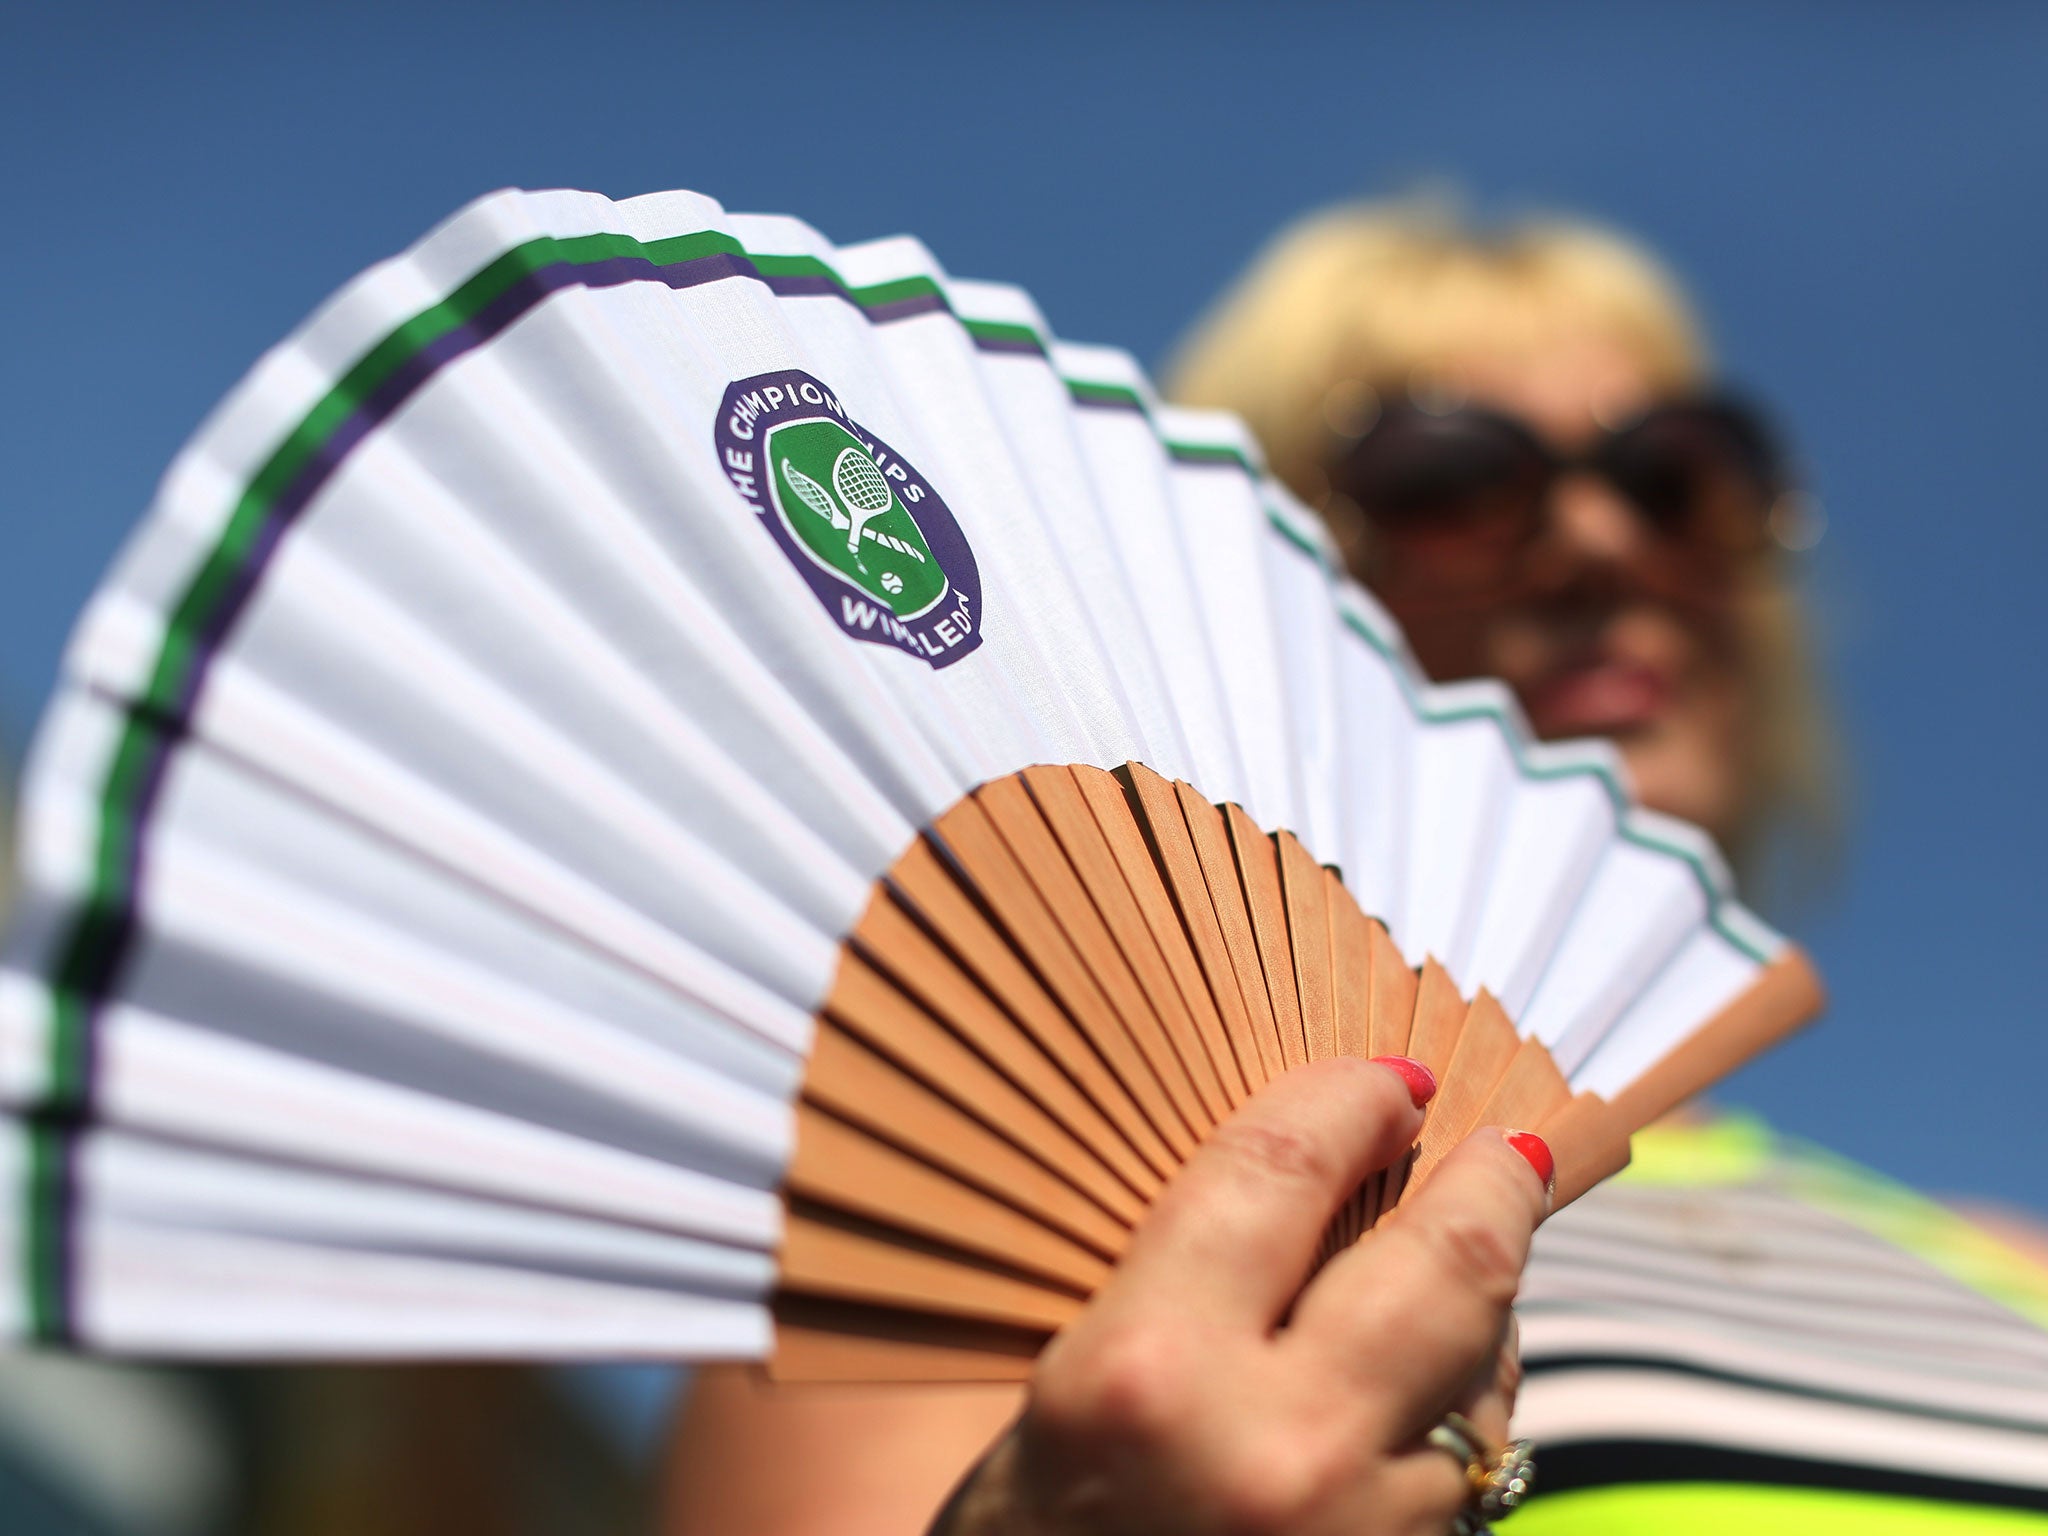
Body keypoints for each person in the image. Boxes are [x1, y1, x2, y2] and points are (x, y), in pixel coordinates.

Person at [662, 203, 2048, 1533]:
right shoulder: (1013, 1169)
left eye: (1673, 478)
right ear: (1243, 593)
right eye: (1449, 481)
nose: (1600, 542)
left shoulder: (2009, 1260)